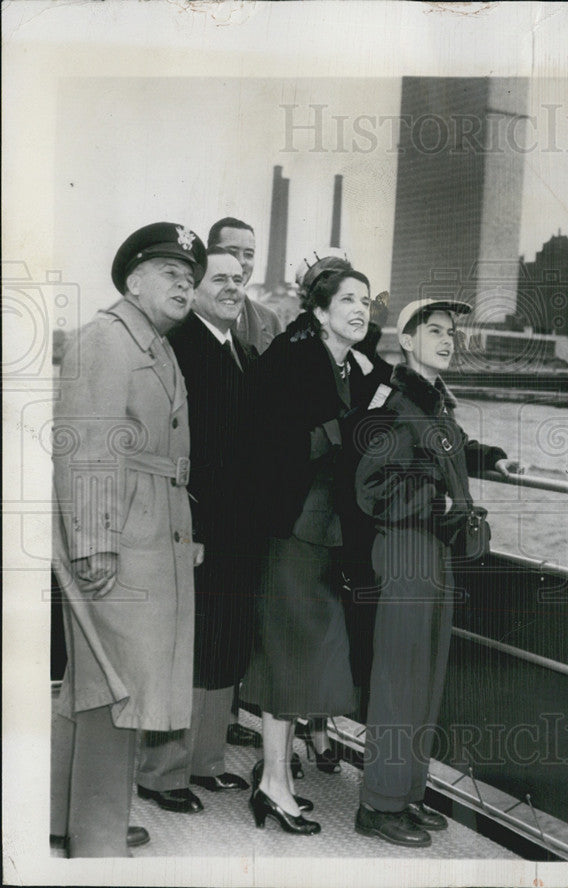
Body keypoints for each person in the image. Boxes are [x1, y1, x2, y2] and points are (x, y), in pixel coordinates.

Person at [51, 222, 206, 856]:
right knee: (113, 691)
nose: (184, 285)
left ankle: (65, 817)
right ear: (133, 279)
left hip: (150, 533)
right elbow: (85, 448)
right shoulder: (105, 343)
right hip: (119, 537)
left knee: (99, 684)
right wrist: (93, 545)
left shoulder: (154, 345)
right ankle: (97, 838)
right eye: (170, 273)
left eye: (190, 278)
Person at [354, 299, 522, 847]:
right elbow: (373, 487)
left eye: (452, 332)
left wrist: (491, 458)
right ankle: (378, 804)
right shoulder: (392, 403)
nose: (449, 339)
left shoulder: (434, 405)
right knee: (399, 677)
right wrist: (440, 506)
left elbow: (448, 452)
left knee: (426, 678)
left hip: (434, 551)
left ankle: (408, 793)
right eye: (435, 331)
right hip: (406, 550)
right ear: (406, 341)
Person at [240, 256, 391, 835]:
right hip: (294, 530)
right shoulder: (291, 358)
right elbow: (265, 445)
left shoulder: (364, 366)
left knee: (300, 658)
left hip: (333, 536)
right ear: (321, 311)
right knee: (286, 656)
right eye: (348, 299)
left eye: (366, 299)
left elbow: (406, 418)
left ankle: (274, 778)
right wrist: (342, 429)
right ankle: (274, 783)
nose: (360, 309)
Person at [134, 249, 257, 813]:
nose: (232, 287)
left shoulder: (240, 351)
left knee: (222, 641)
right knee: (185, 647)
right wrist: (194, 524)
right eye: (220, 279)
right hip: (196, 523)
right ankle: (162, 773)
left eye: (239, 278)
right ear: (196, 289)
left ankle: (206, 762)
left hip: (237, 528)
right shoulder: (180, 347)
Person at [207, 215, 279, 749]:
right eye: (233, 254)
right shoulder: (196, 318)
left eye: (250, 255)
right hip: (211, 499)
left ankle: (220, 725)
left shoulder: (265, 321)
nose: (245, 265)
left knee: (234, 616)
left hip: (246, 499)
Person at [208, 216, 282, 356]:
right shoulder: (187, 312)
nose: (241, 261)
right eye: (231, 252)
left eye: (248, 254)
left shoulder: (269, 320)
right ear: (210, 254)